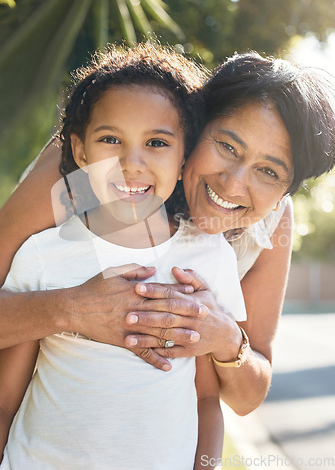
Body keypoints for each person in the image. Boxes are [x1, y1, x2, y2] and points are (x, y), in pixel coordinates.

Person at [0, 50, 334, 420]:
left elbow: (245, 398)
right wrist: (72, 309)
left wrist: (224, 337)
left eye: (269, 172)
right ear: (194, 128)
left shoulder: (272, 222)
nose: (234, 184)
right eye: (227, 146)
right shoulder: (103, 169)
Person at [0, 44, 247, 469]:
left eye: (156, 142)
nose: (132, 164)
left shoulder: (208, 258)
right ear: (79, 152)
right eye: (110, 139)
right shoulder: (42, 254)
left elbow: (207, 399)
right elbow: (6, 401)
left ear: (184, 155)